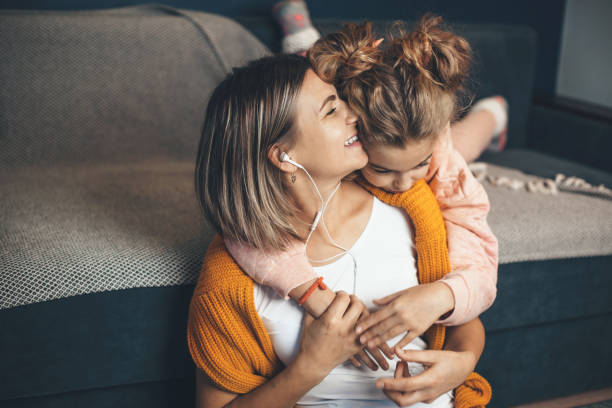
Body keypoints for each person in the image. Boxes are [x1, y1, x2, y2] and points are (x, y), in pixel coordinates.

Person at [188, 47, 490, 407]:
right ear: (283, 156)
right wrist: (310, 366)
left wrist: (462, 363)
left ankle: (492, 116)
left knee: (454, 144)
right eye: (332, 109)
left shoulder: (410, 204)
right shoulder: (229, 279)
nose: (353, 113)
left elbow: (462, 316)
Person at [272, 0, 508, 159]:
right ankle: (302, 40)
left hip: (426, 137)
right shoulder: (350, 127)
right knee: (316, 77)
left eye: (417, 168)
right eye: (382, 171)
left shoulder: (438, 155)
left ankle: (493, 110)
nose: (402, 185)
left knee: (462, 146)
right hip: (353, 92)